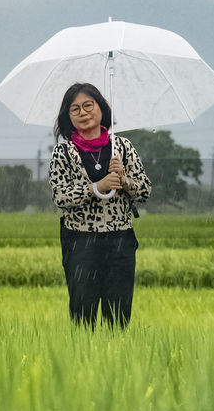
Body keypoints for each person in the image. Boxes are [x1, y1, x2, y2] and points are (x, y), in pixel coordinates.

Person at [47, 83, 152, 329]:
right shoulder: (63, 153)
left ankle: (116, 363)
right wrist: (97, 187)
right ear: (68, 117)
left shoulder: (122, 147)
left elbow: (145, 191)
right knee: (83, 312)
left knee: (119, 313)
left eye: (88, 105)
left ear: (101, 108)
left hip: (120, 240)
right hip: (80, 241)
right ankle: (83, 363)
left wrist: (124, 179)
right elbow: (60, 197)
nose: (83, 113)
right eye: (75, 109)